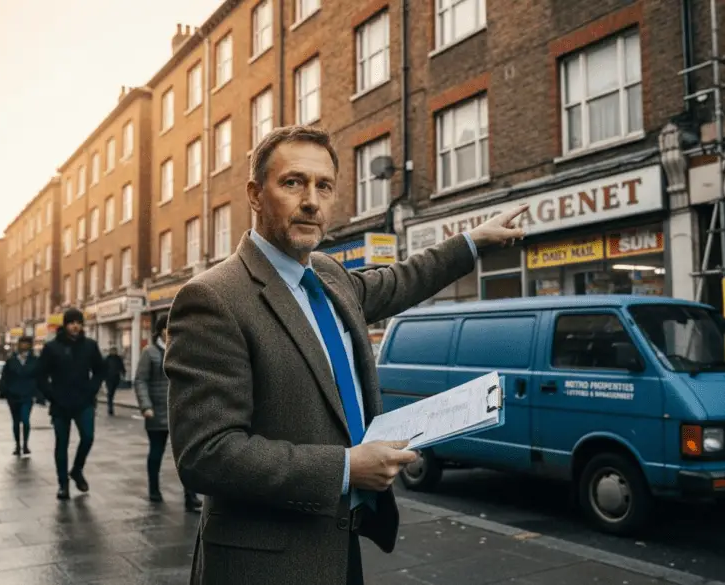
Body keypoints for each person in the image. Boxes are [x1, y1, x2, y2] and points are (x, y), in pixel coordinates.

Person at [164, 125, 527, 585]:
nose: (312, 201)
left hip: (339, 552)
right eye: (293, 182)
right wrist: (345, 468)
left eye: (324, 186)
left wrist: (473, 241)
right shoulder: (213, 298)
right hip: (261, 565)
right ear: (256, 194)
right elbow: (206, 454)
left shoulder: (329, 276)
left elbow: (403, 279)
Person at [135, 315, 202, 512]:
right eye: (165, 328)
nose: (168, 331)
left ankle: (190, 497)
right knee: (156, 453)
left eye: (172, 327)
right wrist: (145, 406)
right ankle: (154, 490)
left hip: (181, 413)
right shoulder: (150, 353)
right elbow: (140, 380)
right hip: (156, 412)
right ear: (159, 330)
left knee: (187, 457)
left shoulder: (182, 350)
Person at [38, 308, 105, 500]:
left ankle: (76, 469)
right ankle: (63, 485)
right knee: (62, 444)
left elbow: (100, 370)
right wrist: (51, 395)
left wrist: (92, 388)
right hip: (60, 403)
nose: (75, 326)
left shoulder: (90, 346)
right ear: (65, 325)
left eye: (78, 322)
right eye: (71, 322)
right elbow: (41, 376)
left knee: (88, 437)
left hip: (83, 401)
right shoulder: (52, 347)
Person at [1, 336, 39, 456]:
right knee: (16, 421)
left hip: (27, 395)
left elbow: (39, 377)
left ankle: (25, 444)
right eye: (22, 343)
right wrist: (6, 391)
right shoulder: (11, 360)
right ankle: (17, 445)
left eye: (27, 344)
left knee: (25, 420)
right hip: (13, 395)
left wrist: (37, 393)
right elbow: (5, 377)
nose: (24, 346)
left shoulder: (35, 361)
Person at [103, 347, 125, 416]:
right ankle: (110, 407)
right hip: (108, 378)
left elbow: (122, 366)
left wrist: (123, 373)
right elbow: (103, 367)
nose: (113, 352)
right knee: (110, 393)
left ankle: (110, 402)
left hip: (116, 378)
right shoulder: (107, 358)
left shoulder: (118, 358)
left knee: (112, 392)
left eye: (115, 351)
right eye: (112, 351)